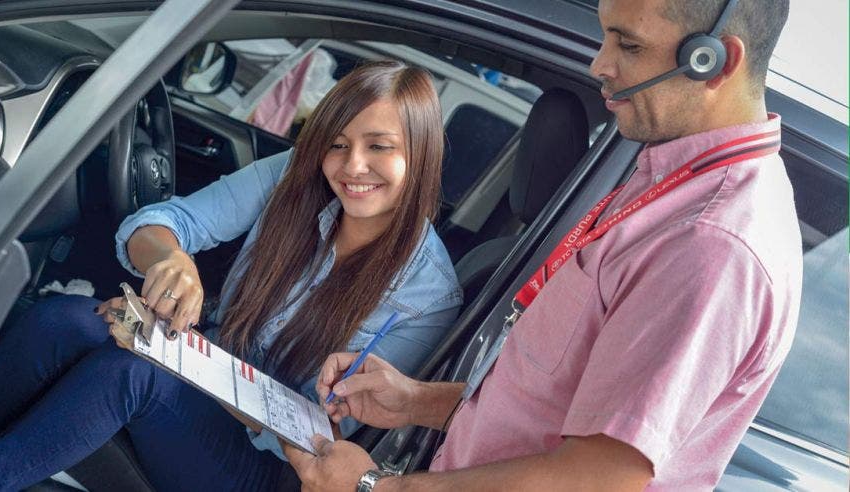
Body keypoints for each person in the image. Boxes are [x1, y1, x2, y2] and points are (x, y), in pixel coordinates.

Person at [284, 1, 800, 490]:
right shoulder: (670, 183)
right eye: (606, 38)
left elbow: (593, 479)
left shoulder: (707, 242)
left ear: (714, 60)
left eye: (630, 46)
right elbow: (550, 409)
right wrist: (415, 402)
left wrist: (373, 486)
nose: (601, 64)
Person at [0, 60, 463, 491]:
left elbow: (323, 433)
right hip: (205, 374)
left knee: (132, 373)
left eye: (379, 147)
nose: (352, 166)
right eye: (337, 143)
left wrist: (177, 359)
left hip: (273, 463)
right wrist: (171, 264)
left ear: (420, 155)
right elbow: (165, 223)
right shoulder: (295, 176)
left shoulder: (428, 296)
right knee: (62, 321)